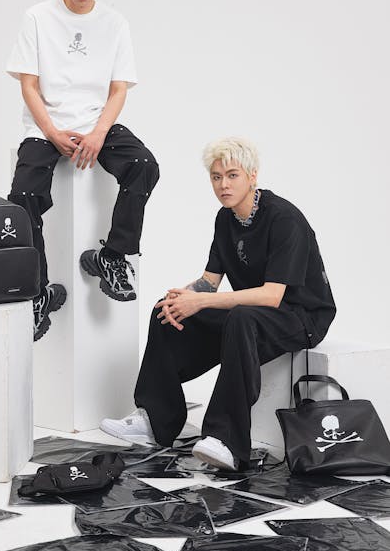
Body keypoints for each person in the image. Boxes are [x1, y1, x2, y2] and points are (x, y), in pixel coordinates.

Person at [100, 137, 336, 470]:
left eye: (232, 175)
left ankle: (225, 440)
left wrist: (202, 301)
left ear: (252, 176)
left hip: (301, 317)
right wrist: (185, 296)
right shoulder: (225, 218)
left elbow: (272, 295)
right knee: (165, 310)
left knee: (240, 318)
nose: (223, 185)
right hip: (252, 313)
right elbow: (209, 282)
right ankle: (157, 420)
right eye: (216, 177)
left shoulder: (285, 219)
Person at [7, 0, 159, 340]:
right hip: (46, 126)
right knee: (23, 197)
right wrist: (52, 132)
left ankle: (112, 256)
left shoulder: (115, 24)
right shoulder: (37, 18)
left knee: (144, 166)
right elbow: (28, 85)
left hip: (97, 123)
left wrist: (97, 134)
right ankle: (38, 292)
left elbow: (118, 90)